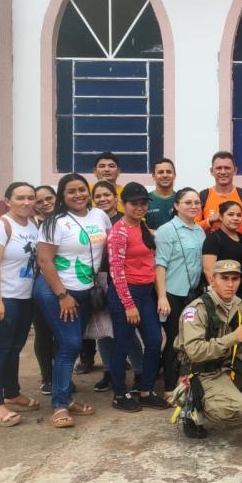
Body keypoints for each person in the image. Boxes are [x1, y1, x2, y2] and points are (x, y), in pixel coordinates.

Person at [34, 173, 110, 428]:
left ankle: (65, 396)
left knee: (69, 347)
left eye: (81, 189)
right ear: (62, 197)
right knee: (70, 345)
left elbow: (110, 244)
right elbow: (44, 261)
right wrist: (63, 295)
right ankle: (59, 406)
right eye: (71, 191)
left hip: (86, 290)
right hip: (57, 291)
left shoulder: (99, 216)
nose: (78, 195)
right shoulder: (54, 222)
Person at [175, 260, 242, 438]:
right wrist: (233, 338)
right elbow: (194, 351)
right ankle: (192, 411)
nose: (230, 284)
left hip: (224, 365)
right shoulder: (197, 310)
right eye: (224, 278)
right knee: (240, 410)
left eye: (235, 278)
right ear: (212, 279)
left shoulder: (239, 306)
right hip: (200, 372)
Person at [0, 182, 40, 427]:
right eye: (20, 197)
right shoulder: (0, 225)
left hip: (24, 298)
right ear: (8, 201)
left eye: (30, 198)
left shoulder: (32, 225)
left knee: (14, 348)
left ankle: (11, 393)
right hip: (2, 298)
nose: (26, 202)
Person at [106, 183, 171, 412]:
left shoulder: (143, 227)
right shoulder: (118, 232)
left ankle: (146, 390)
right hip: (126, 293)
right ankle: (119, 393)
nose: (139, 207)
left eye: (143, 203)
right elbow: (116, 271)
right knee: (122, 344)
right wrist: (128, 304)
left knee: (154, 340)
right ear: (123, 204)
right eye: (134, 203)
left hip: (145, 293)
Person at [154, 188, 206, 395]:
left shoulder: (199, 231)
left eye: (196, 202)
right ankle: (168, 387)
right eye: (188, 202)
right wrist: (162, 296)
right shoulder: (167, 230)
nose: (194, 206)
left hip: (192, 294)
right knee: (174, 339)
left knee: (190, 340)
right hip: (172, 293)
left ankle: (184, 383)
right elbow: (160, 265)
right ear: (176, 206)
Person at [77, 180, 121, 376]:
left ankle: (125, 367)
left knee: (121, 326)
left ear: (115, 197)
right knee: (102, 329)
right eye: (98, 196)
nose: (103, 199)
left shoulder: (124, 218)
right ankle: (108, 371)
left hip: (122, 277)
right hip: (99, 278)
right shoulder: (90, 220)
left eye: (107, 195)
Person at [32, 185, 58, 394]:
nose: (45, 203)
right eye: (39, 201)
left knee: (62, 334)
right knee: (43, 332)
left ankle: (60, 374)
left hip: (65, 283)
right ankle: (47, 376)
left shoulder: (65, 220)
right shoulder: (30, 225)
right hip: (37, 286)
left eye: (49, 198)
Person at [197, 151, 242, 233]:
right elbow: (192, 229)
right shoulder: (201, 196)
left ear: (235, 170)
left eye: (227, 168)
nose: (223, 172)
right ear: (212, 171)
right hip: (209, 245)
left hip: (238, 245)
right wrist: (210, 220)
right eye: (219, 168)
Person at [201, 200, 242, 284]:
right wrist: (220, 292)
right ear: (220, 217)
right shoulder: (213, 239)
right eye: (230, 214)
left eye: (238, 215)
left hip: (241, 291)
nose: (235, 218)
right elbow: (208, 271)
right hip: (221, 292)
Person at [146, 158, 177, 230]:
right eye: (160, 172)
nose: (165, 175)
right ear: (153, 176)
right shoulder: (145, 200)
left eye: (169, 172)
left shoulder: (181, 199)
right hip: (151, 241)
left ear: (174, 175)